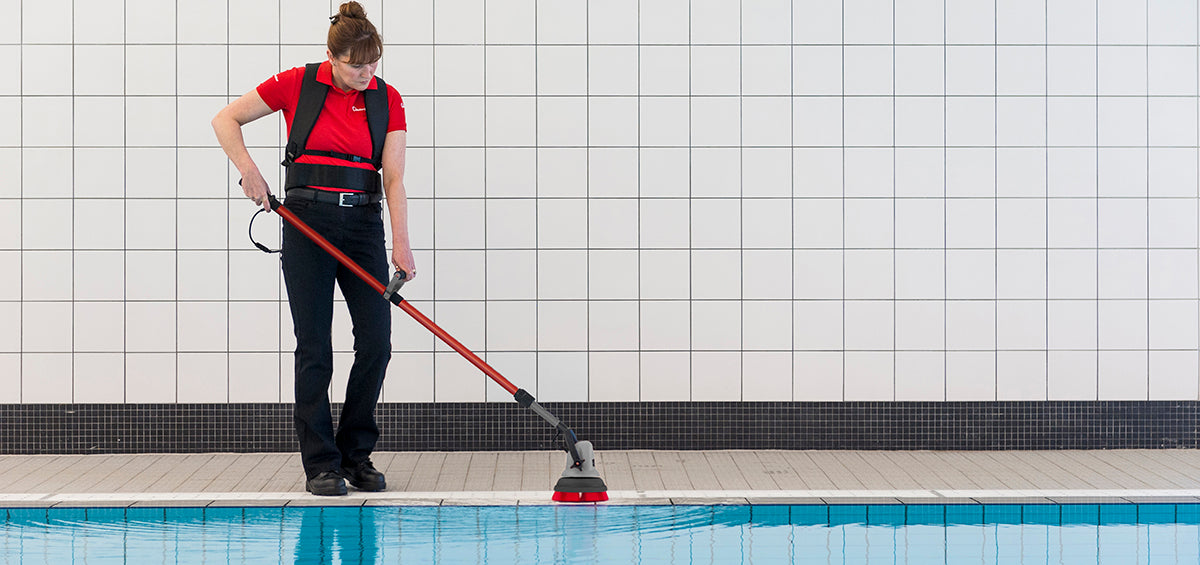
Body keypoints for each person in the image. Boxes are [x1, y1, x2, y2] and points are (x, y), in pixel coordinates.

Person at [211, 1, 414, 496]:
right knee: (315, 347)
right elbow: (225, 119)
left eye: (373, 64)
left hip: (364, 225)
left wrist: (402, 246)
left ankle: (356, 453)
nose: (367, 74)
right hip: (306, 224)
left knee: (376, 343)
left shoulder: (387, 100)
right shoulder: (297, 84)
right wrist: (250, 171)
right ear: (332, 56)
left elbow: (393, 177)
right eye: (356, 65)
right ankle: (321, 464)